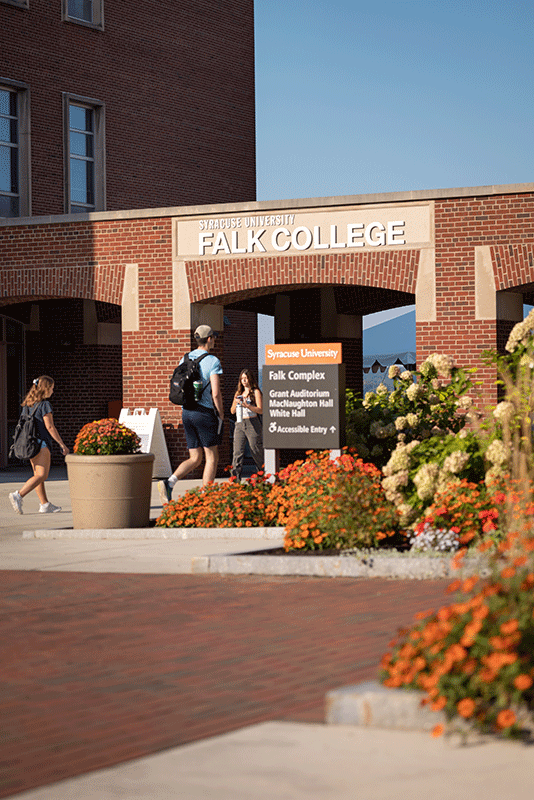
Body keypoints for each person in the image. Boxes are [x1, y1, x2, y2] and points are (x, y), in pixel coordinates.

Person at [158, 325, 224, 502]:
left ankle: (169, 482)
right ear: (209, 339)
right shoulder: (213, 361)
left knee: (195, 458)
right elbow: (216, 393)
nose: (214, 340)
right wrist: (221, 414)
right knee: (212, 456)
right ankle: (206, 496)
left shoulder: (185, 358)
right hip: (204, 413)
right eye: (213, 337)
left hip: (187, 412)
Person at [8, 375, 70, 514]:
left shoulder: (28, 404)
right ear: (46, 389)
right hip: (41, 444)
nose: (53, 391)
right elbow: (50, 427)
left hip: (30, 444)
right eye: (52, 388)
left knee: (37, 475)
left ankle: (45, 504)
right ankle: (18, 495)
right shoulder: (45, 405)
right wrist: (62, 444)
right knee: (42, 475)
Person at [230, 369, 263, 482]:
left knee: (255, 449)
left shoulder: (255, 392)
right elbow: (232, 411)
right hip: (240, 423)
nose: (244, 381)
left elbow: (261, 410)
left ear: (250, 379)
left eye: (246, 378)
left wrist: (248, 406)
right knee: (237, 451)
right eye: (242, 379)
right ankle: (235, 479)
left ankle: (262, 475)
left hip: (252, 422)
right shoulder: (238, 393)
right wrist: (237, 403)